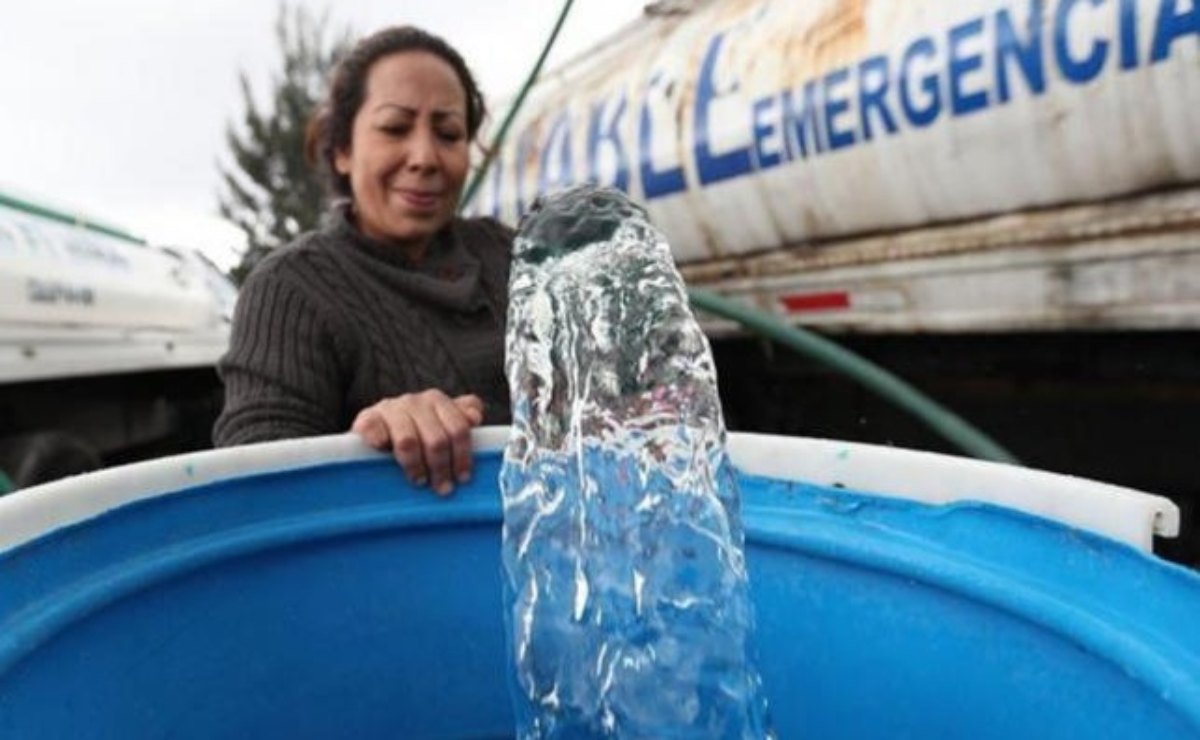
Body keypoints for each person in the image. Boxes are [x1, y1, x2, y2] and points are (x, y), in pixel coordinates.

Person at [214, 26, 513, 497]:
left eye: (449, 133)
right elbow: (255, 479)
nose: (425, 157)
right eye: (395, 128)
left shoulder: (513, 255)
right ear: (342, 150)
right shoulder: (290, 288)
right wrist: (365, 440)